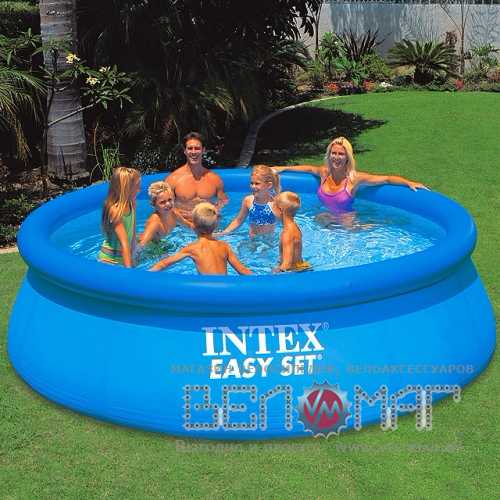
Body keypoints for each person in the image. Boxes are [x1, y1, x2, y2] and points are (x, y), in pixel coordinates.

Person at [272, 136, 428, 214]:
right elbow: (307, 169)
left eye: (341, 154)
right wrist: (282, 168)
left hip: (346, 226)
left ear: (347, 157)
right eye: (333, 153)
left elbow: (386, 179)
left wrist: (409, 183)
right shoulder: (324, 173)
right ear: (329, 155)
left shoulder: (354, 178)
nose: (336, 157)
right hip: (324, 218)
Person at [149, 202, 252, 275]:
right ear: (215, 226)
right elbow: (242, 270)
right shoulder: (224, 246)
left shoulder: (193, 248)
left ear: (193, 226)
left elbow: (163, 264)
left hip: (205, 293)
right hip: (224, 290)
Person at [165, 132, 228, 221]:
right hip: (183, 225)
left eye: (197, 148)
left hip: (207, 223)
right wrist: (185, 215)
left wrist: (216, 209)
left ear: (203, 150)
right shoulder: (173, 179)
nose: (193, 152)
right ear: (185, 151)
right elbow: (165, 206)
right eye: (190, 148)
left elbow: (224, 200)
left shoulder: (215, 179)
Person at [218, 165, 281, 237]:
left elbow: (286, 223)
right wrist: (224, 233)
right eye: (252, 183)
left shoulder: (275, 204)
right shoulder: (248, 200)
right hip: (251, 239)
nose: (253, 186)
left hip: (268, 241)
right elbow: (239, 220)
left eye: (257, 183)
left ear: (269, 185)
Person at [98, 167, 141, 268]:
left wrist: (135, 254)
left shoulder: (132, 203)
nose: (139, 190)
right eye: (137, 186)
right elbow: (124, 243)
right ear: (126, 189)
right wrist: (129, 273)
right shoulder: (115, 211)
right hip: (109, 260)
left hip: (124, 256)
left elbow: (133, 232)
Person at [138, 181, 193, 250]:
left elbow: (188, 225)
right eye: (162, 202)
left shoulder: (173, 213)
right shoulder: (155, 223)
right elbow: (141, 244)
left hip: (159, 244)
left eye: (170, 200)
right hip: (149, 248)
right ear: (153, 205)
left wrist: (203, 233)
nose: (168, 204)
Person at [273, 191, 311, 273]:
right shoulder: (294, 226)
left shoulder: (287, 233)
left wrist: (275, 274)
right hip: (301, 266)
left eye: (273, 206)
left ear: (280, 210)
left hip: (295, 271)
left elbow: (287, 265)